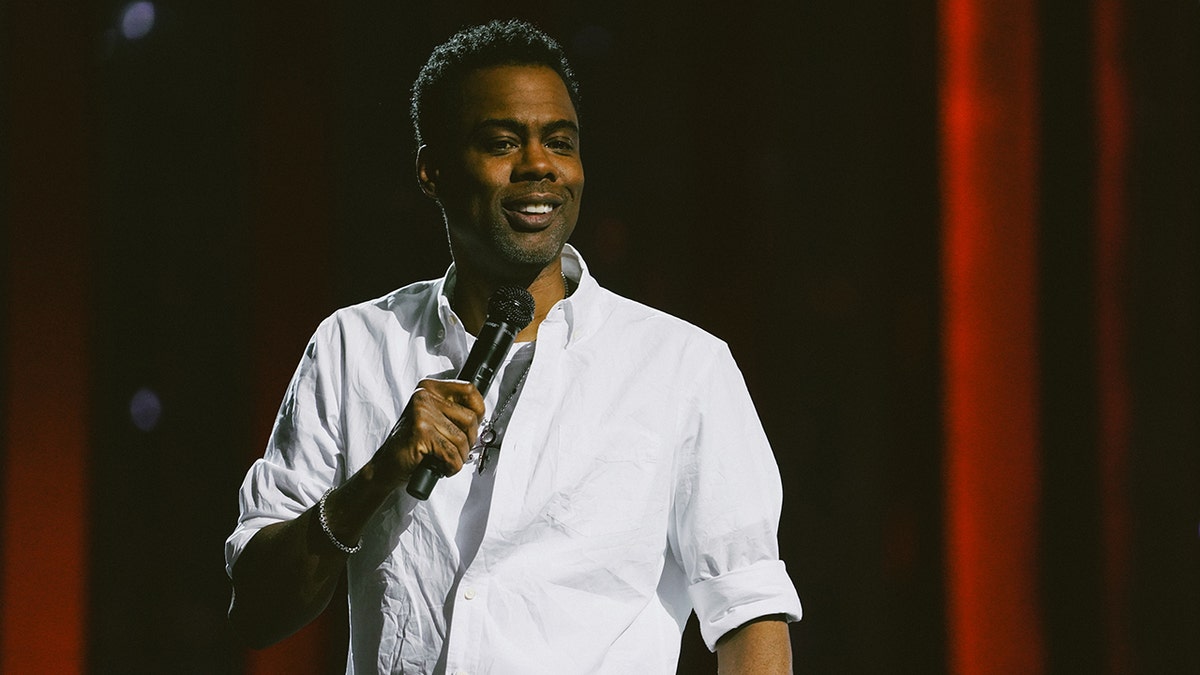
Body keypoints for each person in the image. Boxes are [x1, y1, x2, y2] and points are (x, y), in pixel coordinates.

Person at [226, 19, 801, 674]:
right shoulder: (353, 346)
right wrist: (379, 474)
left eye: (560, 142)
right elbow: (258, 609)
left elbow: (749, 614)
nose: (538, 165)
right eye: (501, 141)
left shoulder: (682, 367)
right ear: (431, 169)